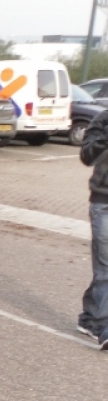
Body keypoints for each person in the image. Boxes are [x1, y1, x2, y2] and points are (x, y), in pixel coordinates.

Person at [78, 107, 108, 349]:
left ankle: (90, 317)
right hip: (104, 203)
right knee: (106, 267)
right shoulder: (102, 120)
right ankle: (103, 327)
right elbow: (87, 156)